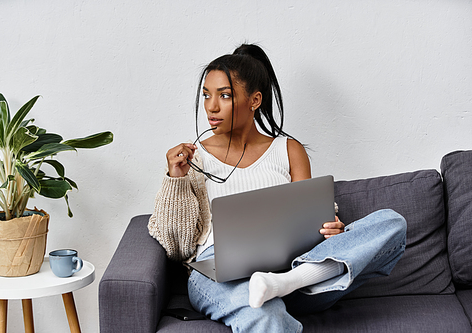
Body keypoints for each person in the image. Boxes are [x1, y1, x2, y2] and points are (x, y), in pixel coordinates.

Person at [148, 44, 407, 333]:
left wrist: (328, 230)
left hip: (296, 269)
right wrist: (176, 180)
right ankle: (273, 286)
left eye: (224, 95)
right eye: (206, 95)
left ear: (255, 100)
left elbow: (311, 221)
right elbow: (176, 247)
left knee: (392, 222)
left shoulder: (289, 150)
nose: (211, 106)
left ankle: (284, 282)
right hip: (220, 272)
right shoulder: (193, 159)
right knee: (265, 313)